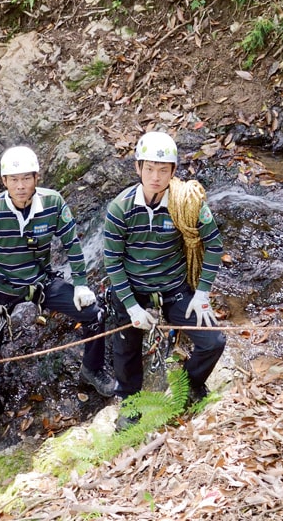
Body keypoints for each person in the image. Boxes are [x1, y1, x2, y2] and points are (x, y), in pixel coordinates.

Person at [0, 146, 114, 411]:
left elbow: (71, 243)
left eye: (26, 178)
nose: (20, 186)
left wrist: (80, 283)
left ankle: (92, 369)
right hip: (3, 284)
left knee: (94, 312)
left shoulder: (53, 203)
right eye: (14, 179)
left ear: (36, 178)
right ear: (4, 181)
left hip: (41, 281)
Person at [102, 132, 226, 429]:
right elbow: (113, 262)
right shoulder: (120, 208)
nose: (155, 177)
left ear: (173, 172)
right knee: (125, 349)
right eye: (149, 169)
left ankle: (190, 383)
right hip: (132, 289)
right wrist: (131, 306)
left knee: (213, 341)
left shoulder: (186, 203)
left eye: (162, 170)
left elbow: (215, 245)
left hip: (173, 288)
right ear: (138, 169)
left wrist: (203, 293)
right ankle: (130, 404)